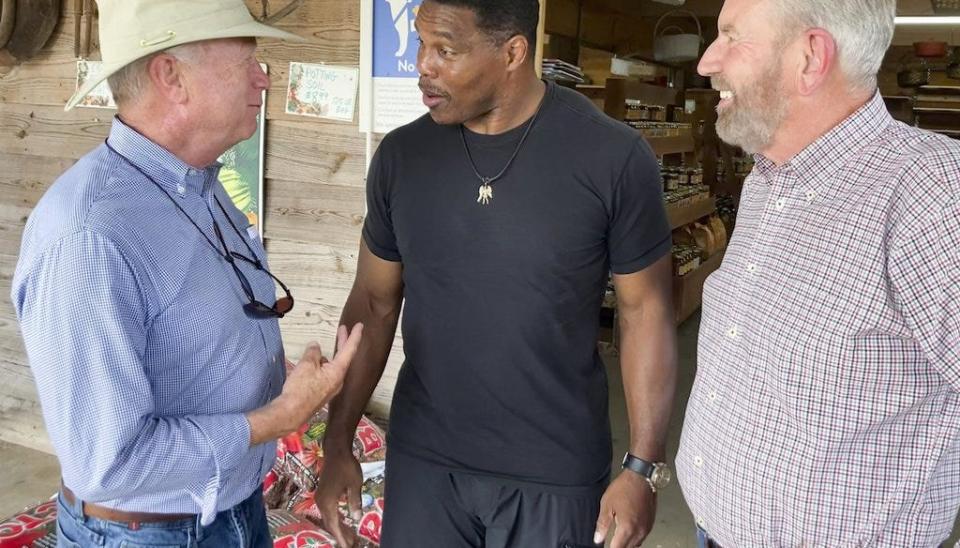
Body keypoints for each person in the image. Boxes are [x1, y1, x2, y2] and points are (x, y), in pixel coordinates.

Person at [313, 1, 677, 547]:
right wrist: (338, 438)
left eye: (446, 50)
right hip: (426, 463)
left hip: (554, 471)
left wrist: (642, 467)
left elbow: (645, 311)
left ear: (513, 52)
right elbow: (373, 302)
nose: (423, 66)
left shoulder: (613, 159)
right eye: (420, 44)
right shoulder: (402, 158)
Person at [10, 1, 363, 546]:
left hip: (228, 509)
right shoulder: (89, 236)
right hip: (147, 533)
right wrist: (278, 416)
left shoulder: (195, 183)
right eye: (246, 59)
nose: (264, 78)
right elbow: (109, 465)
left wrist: (280, 377)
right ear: (170, 76)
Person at [677, 0, 960, 545]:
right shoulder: (767, 178)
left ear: (810, 57)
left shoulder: (931, 195)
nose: (707, 62)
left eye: (732, 37)